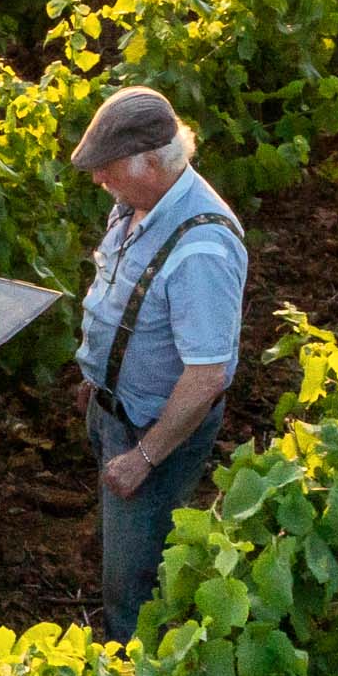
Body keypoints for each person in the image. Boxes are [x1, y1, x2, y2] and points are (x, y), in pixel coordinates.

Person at [67, 85, 246, 644]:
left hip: (153, 434)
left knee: (134, 585)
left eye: (108, 168)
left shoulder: (201, 250)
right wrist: (98, 383)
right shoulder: (137, 202)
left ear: (152, 163)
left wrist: (143, 458)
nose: (100, 180)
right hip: (116, 412)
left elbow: (207, 377)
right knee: (126, 552)